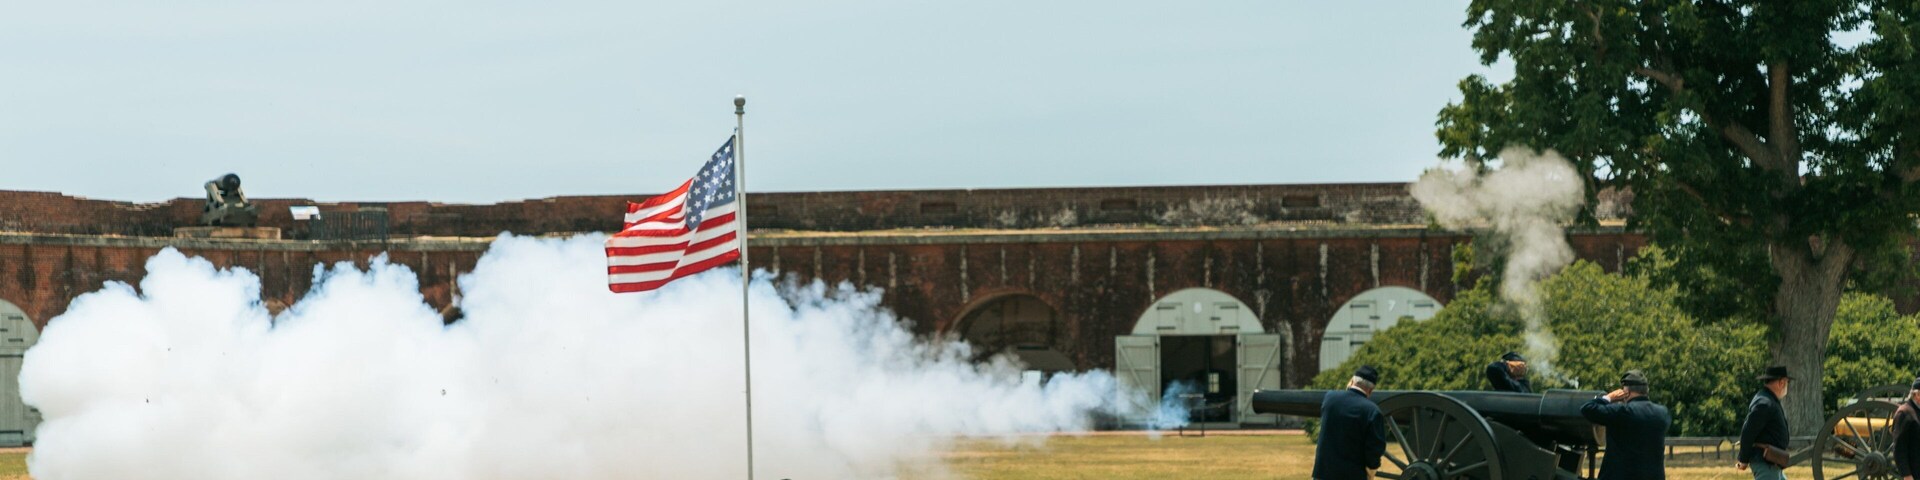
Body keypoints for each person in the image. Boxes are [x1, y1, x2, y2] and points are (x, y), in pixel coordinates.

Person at [1580, 370, 1672, 480]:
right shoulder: (1662, 413)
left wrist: (1608, 397)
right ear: (1646, 390)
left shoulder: (1622, 412)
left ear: (1626, 392)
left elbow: (1587, 409)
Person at [1314, 365, 1386, 480]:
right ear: (1371, 390)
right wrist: (1370, 473)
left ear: (1352, 381)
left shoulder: (1330, 398)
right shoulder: (1373, 411)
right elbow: (1375, 449)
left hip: (1323, 474)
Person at [1738, 366, 1793, 480]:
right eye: (1787, 382)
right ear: (1781, 382)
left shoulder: (1769, 400)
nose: (1787, 386)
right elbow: (1748, 432)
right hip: (1765, 462)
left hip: (1773, 462)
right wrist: (1743, 459)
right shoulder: (1764, 403)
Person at [1895, 376, 1920, 480]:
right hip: (1914, 473)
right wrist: (1907, 475)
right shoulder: (1904, 413)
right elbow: (1899, 448)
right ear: (1917, 394)